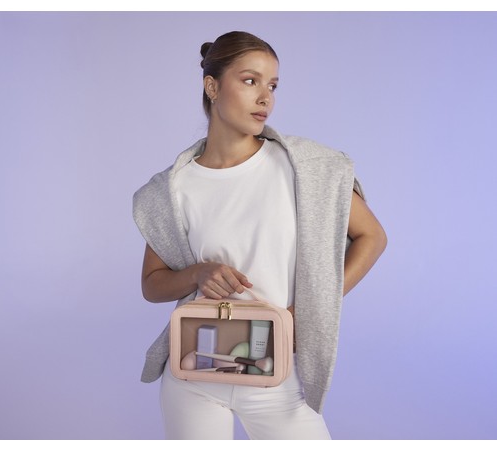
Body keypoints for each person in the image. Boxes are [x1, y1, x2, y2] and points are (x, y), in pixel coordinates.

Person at [133, 31, 387, 439]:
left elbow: (372, 237)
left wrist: (311, 308)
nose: (265, 97)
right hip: (194, 373)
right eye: (250, 81)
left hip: (277, 373)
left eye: (272, 85)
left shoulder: (304, 168)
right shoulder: (174, 188)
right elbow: (152, 284)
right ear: (212, 86)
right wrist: (198, 273)